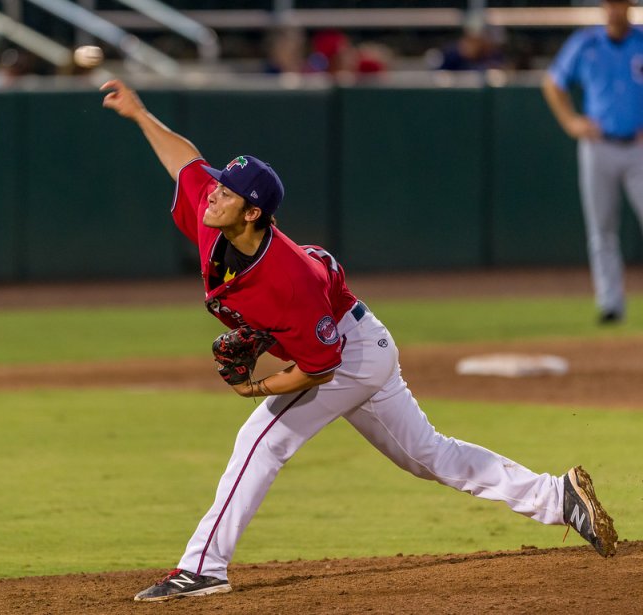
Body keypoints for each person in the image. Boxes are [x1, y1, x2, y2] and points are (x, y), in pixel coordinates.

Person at [100, 79, 618, 603]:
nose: (212, 193)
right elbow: (187, 162)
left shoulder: (288, 278)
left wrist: (254, 390)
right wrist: (140, 113)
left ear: (253, 213)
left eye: (227, 193)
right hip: (361, 341)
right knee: (426, 454)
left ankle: (203, 568)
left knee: (262, 441)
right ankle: (557, 497)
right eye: (218, 186)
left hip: (346, 354)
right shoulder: (218, 219)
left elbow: (320, 368)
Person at [542, 0, 643, 324]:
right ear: (604, 7)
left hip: (638, 146)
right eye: (610, 3)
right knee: (602, 230)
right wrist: (571, 122)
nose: (615, 9)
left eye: (621, 3)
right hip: (598, 145)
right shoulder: (585, 43)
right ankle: (610, 305)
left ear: (630, 6)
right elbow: (553, 82)